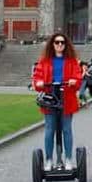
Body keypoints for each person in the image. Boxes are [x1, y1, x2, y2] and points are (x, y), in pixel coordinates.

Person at [31, 33, 82, 171]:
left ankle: (68, 158)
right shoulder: (44, 61)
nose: (59, 45)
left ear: (66, 45)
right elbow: (37, 77)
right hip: (50, 97)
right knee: (49, 129)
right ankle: (48, 160)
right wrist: (39, 82)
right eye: (57, 42)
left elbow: (78, 77)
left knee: (66, 129)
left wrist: (74, 81)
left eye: (62, 42)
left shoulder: (72, 61)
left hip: (67, 97)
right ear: (52, 44)